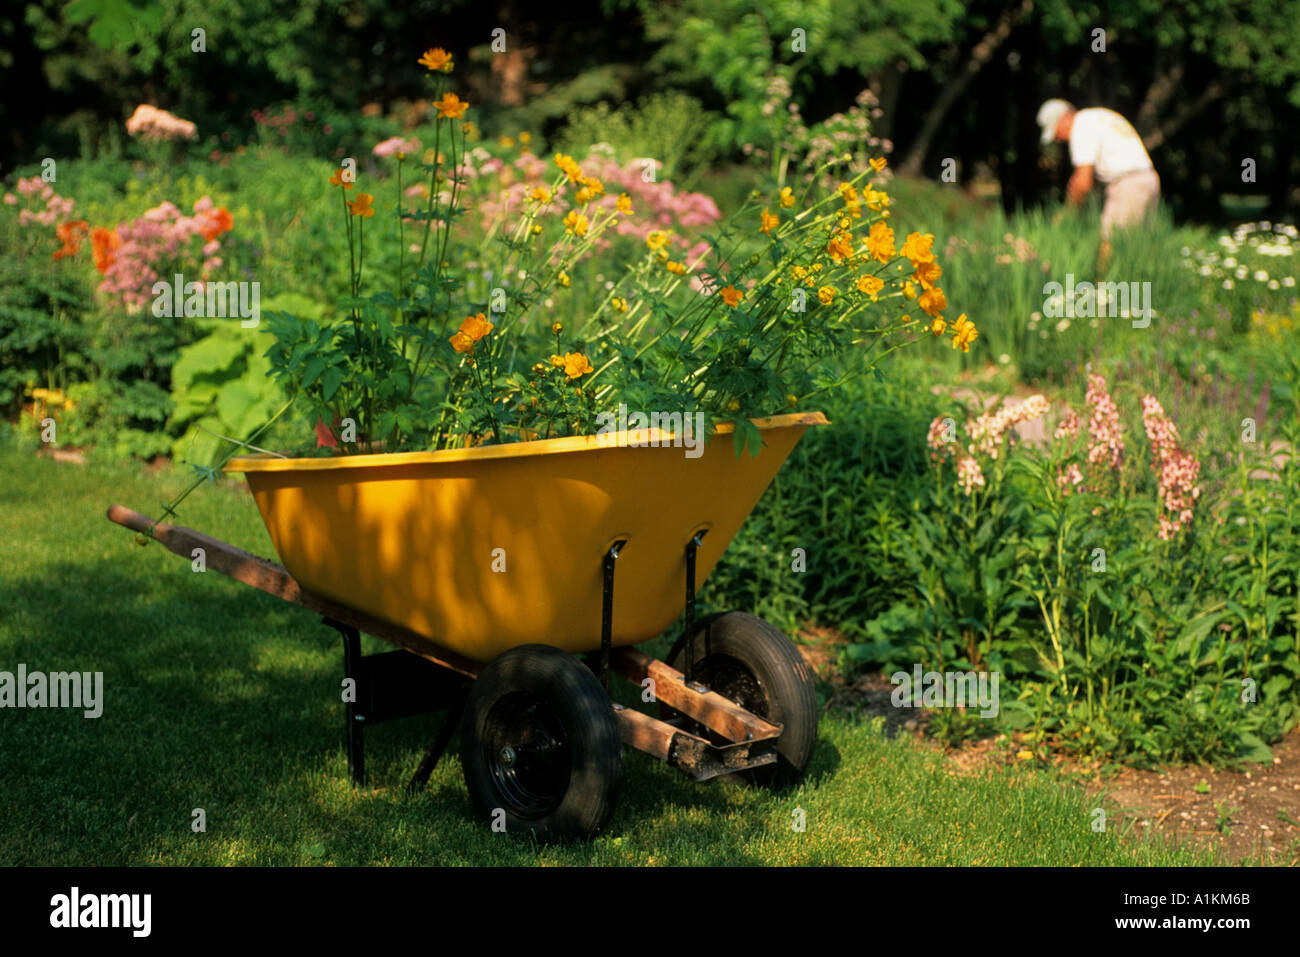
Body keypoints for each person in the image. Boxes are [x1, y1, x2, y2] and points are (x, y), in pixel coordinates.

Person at [1037, 99, 1160, 273]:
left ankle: (1102, 294)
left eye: (1056, 132)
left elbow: (1083, 182)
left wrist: (1068, 213)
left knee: (1109, 246)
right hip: (1147, 179)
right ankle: (1137, 293)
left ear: (1064, 118)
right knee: (1137, 249)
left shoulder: (1081, 126)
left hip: (1128, 184)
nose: (1057, 139)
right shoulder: (1097, 117)